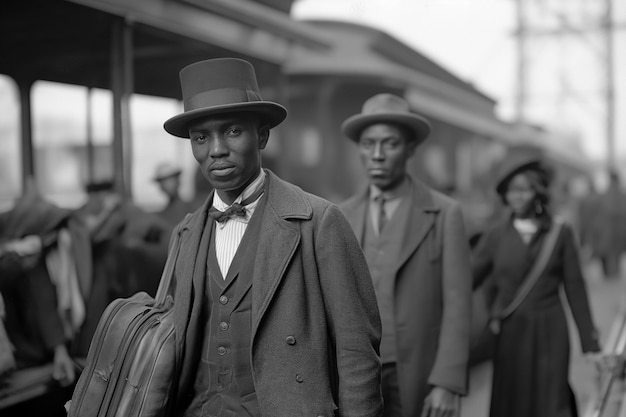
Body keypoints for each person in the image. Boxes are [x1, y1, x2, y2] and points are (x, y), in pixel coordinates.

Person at [161, 58, 382, 416]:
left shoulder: (319, 222)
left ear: (262, 135)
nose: (216, 149)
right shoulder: (185, 233)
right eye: (201, 137)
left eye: (233, 131)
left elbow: (357, 351)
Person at [339, 93, 472, 417]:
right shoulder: (340, 216)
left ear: (411, 148)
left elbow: (458, 303)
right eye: (368, 144)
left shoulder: (444, 213)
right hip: (354, 374)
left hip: (416, 372)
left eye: (390, 144)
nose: (378, 155)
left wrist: (447, 382)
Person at [472, 153, 601, 417]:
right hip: (511, 333)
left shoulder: (559, 233)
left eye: (524, 190)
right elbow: (468, 279)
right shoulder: (495, 235)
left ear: (538, 192)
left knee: (550, 397)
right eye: (510, 191)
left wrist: (590, 343)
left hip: (550, 330)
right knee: (513, 399)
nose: (516, 197)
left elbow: (575, 288)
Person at [153, 162, 193, 228]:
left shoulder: (194, 209)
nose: (169, 184)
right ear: (161, 186)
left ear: (178, 181)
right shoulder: (161, 217)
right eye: (164, 181)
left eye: (171, 180)